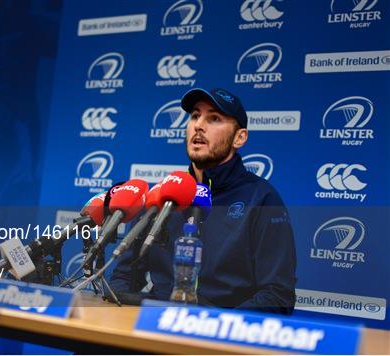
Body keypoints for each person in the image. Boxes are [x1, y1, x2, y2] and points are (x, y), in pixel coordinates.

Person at [109, 87, 297, 314]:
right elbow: (123, 276)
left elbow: (277, 296)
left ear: (240, 137)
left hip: (218, 338)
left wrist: (215, 325)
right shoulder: (163, 196)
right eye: (195, 116)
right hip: (154, 329)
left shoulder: (262, 199)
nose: (199, 125)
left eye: (214, 118)